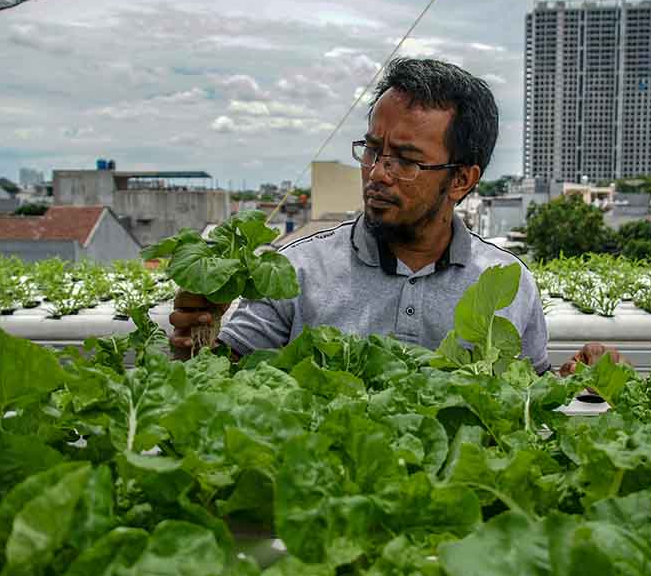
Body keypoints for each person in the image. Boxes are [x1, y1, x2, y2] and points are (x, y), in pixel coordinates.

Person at [170, 57, 620, 374]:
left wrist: (575, 381)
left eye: (405, 159)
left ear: (462, 180)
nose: (377, 173)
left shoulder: (506, 281)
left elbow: (525, 395)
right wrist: (198, 340)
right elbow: (222, 375)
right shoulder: (295, 269)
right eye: (372, 149)